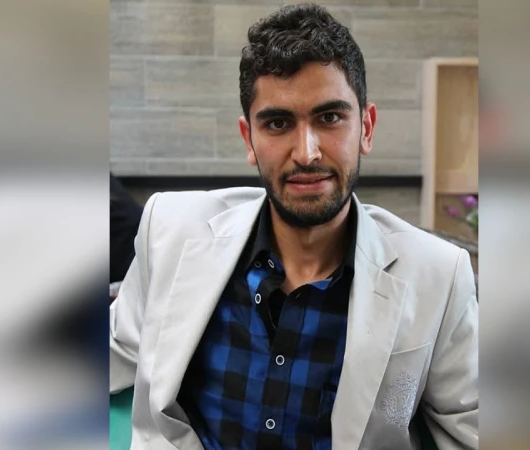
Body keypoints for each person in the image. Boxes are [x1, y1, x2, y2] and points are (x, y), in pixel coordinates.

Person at [109, 4, 478, 449]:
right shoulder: (171, 232)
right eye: (279, 123)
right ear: (249, 138)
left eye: (329, 118)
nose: (306, 153)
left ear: (366, 127)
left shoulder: (438, 276)